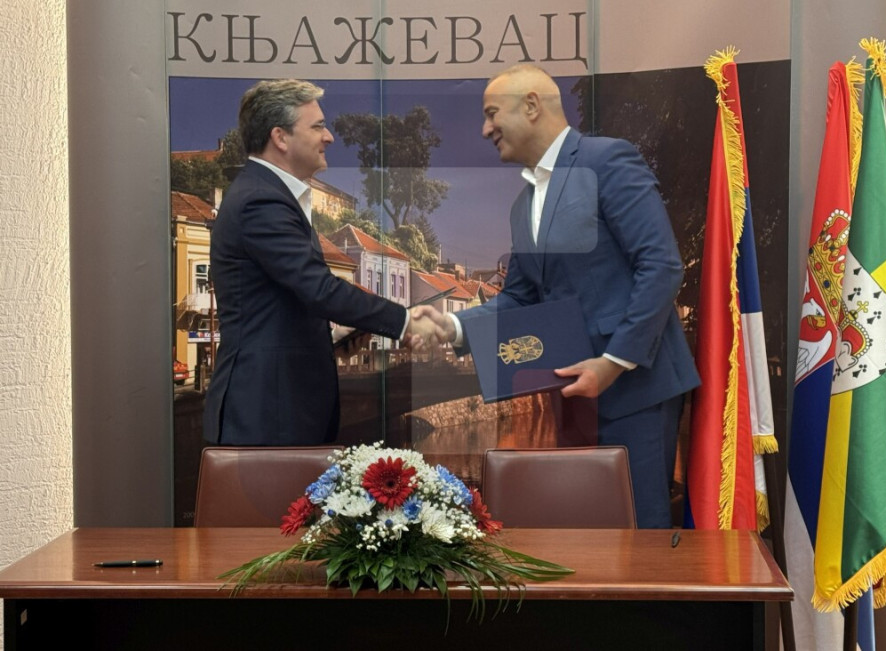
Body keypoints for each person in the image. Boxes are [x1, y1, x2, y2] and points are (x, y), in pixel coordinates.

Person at [414, 64, 699, 528]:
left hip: (636, 390)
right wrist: (453, 325)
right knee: (589, 535)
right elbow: (519, 298)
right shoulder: (522, 206)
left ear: (531, 106)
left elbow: (661, 265)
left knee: (640, 534)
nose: (485, 129)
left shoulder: (607, 160)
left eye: (491, 113)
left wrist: (613, 363)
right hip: (571, 396)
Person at [203, 79, 441, 447]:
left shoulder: (265, 194)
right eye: (317, 126)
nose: (328, 137)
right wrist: (404, 321)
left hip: (274, 411)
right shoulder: (260, 201)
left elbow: (279, 305)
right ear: (280, 137)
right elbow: (319, 289)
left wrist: (328, 339)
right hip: (266, 415)